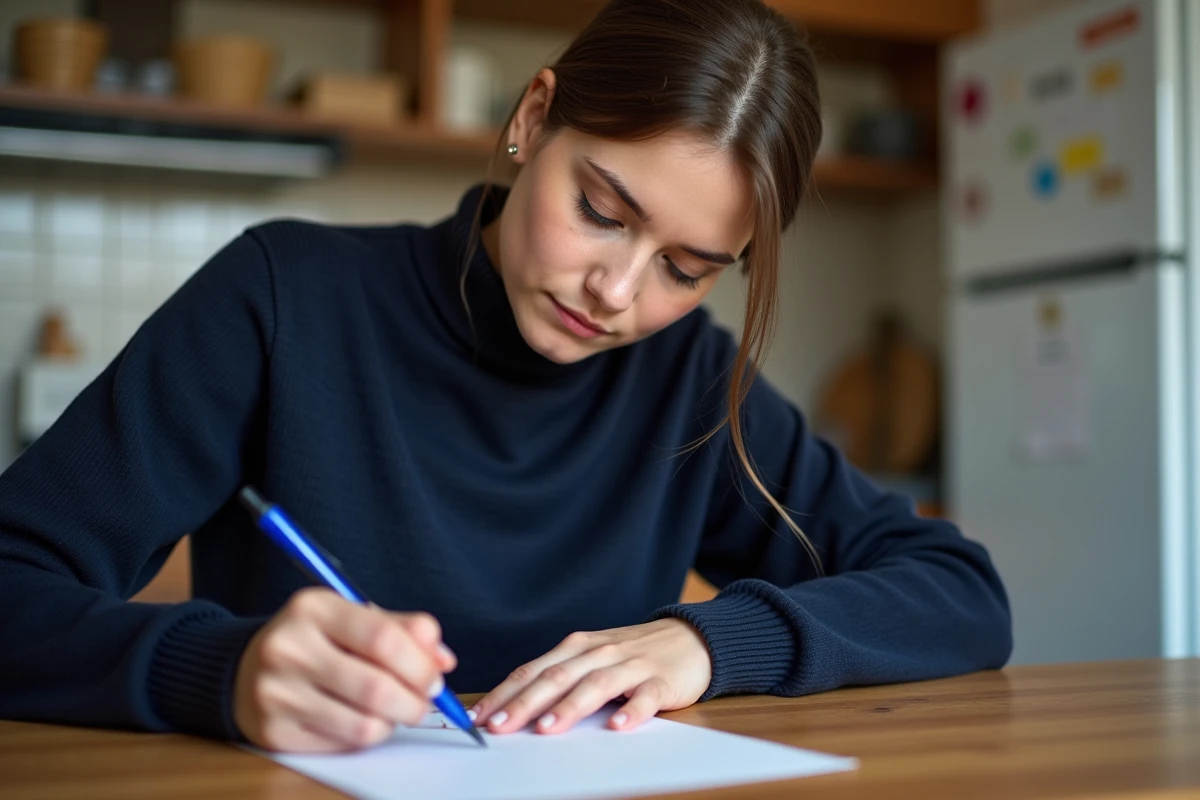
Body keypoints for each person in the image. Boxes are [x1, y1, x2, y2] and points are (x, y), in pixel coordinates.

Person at [0, 0, 1011, 754]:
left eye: (686, 268)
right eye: (601, 211)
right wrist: (220, 671)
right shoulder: (279, 298)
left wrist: (712, 643)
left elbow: (960, 592)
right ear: (535, 116)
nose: (616, 291)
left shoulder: (689, 378)